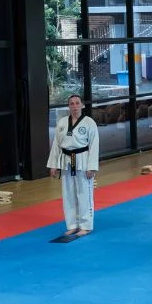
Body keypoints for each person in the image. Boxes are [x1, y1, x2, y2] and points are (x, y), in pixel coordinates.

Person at [47, 95, 100, 237]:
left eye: (77, 103)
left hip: (83, 160)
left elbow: (94, 146)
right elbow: (56, 145)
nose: (74, 106)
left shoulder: (89, 123)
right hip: (66, 161)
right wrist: (54, 165)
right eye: (71, 104)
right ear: (68, 106)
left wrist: (92, 167)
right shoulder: (62, 122)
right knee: (68, 194)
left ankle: (86, 225)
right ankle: (72, 225)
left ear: (82, 105)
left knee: (84, 193)